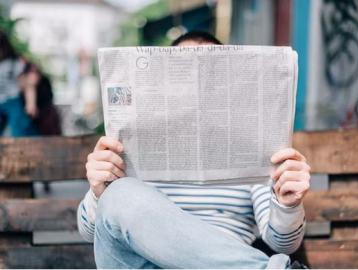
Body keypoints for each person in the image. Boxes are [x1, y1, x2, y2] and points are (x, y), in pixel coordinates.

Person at [77, 31, 310, 269]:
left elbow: (283, 244)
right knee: (120, 194)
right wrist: (99, 193)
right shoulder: (127, 145)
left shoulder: (253, 148)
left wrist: (287, 205)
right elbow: (91, 233)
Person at [0, 31, 37, 136]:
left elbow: (28, 84)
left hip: (12, 100)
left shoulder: (15, 63)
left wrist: (31, 104)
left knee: (18, 127)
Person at [19, 63, 62, 135]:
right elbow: (26, 107)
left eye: (35, 72)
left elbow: (49, 97)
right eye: (31, 72)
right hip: (31, 118)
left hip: (45, 113)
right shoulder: (25, 87)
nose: (33, 75)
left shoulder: (44, 82)